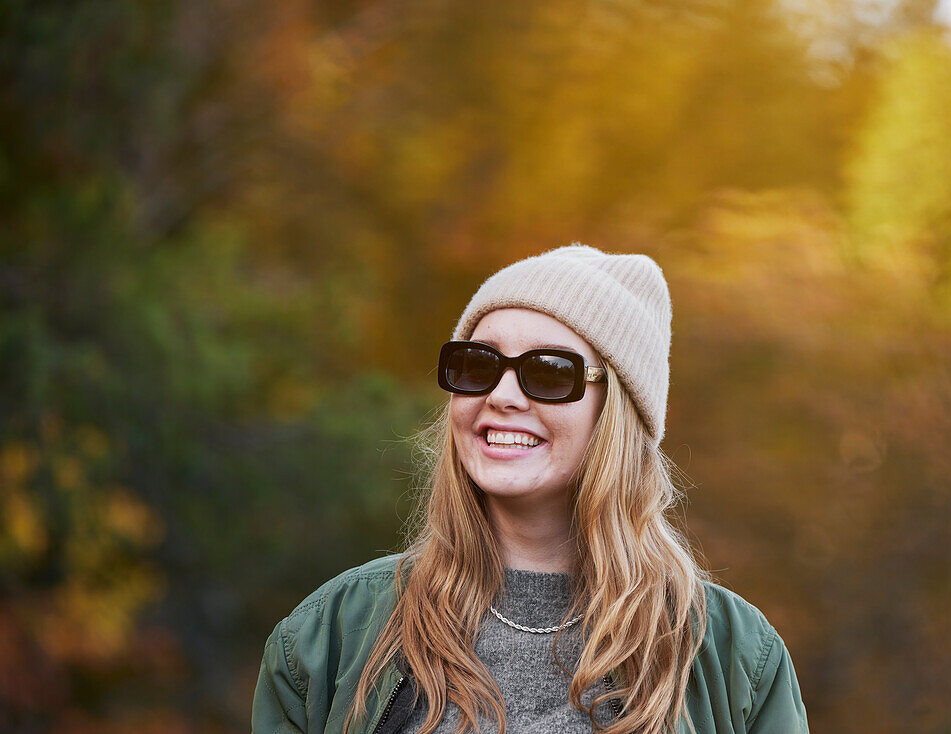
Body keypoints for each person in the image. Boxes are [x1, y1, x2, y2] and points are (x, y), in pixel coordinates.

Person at [252, 245, 810, 734]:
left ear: (615, 412)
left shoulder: (733, 654)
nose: (502, 395)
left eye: (547, 371)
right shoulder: (329, 638)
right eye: (478, 362)